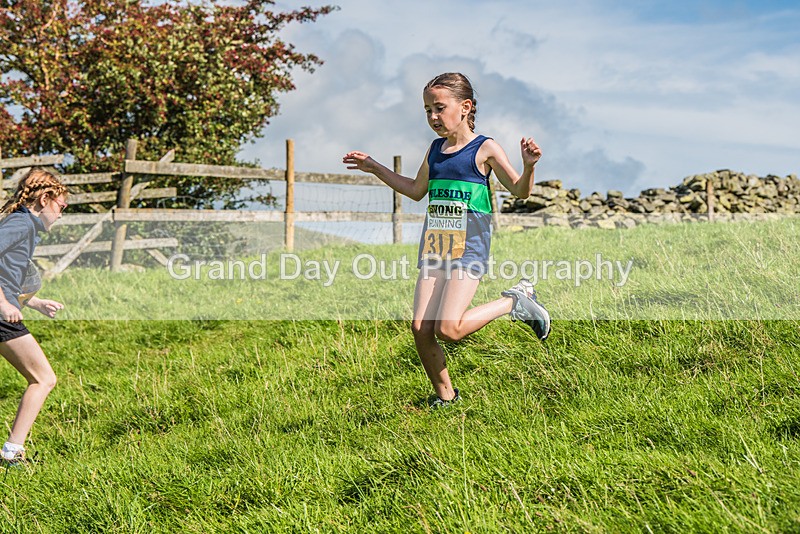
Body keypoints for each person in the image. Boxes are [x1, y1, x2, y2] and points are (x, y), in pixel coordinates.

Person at [343, 72, 550, 408]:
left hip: (469, 246)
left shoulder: (485, 148)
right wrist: (374, 167)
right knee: (421, 328)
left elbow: (520, 191)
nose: (433, 117)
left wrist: (528, 167)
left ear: (465, 107)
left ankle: (515, 301)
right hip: (436, 245)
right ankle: (447, 398)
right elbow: (415, 190)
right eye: (427, 111)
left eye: (439, 108)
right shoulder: (436, 150)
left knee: (449, 329)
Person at [0, 167, 67, 464]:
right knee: (43, 378)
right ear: (44, 198)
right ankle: (12, 453)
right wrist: (2, 303)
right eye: (61, 207)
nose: (61, 214)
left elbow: (8, 275)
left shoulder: (24, 225)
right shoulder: (21, 225)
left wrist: (35, 302)